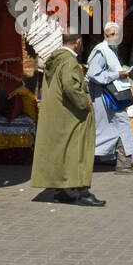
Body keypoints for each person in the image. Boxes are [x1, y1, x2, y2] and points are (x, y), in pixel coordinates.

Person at [30, 30, 105, 206]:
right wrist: (84, 103)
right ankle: (82, 192)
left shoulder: (56, 58)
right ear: (78, 42)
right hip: (72, 116)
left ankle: (62, 190)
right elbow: (71, 87)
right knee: (79, 151)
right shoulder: (69, 61)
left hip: (59, 115)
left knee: (62, 152)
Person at [86, 21, 133, 172]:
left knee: (118, 126)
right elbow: (93, 73)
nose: (115, 37)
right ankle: (123, 164)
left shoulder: (111, 49)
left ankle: (123, 162)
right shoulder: (101, 50)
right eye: (112, 34)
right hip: (104, 97)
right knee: (120, 124)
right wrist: (117, 74)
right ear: (105, 35)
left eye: (117, 35)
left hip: (110, 95)